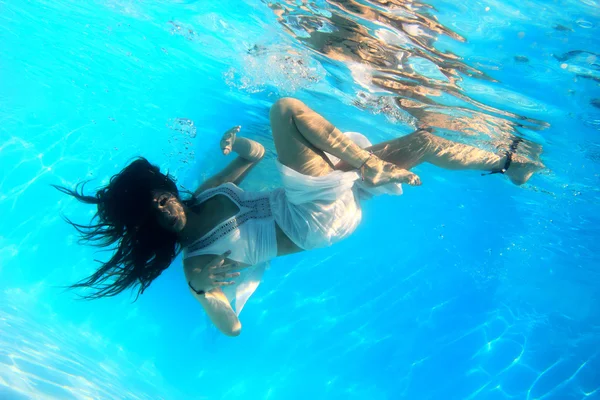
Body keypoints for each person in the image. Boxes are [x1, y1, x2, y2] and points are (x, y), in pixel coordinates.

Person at [56, 98, 542, 336]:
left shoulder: (203, 195)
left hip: (320, 207)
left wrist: (233, 145)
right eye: (154, 212)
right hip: (309, 220)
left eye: (159, 196)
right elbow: (231, 327)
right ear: (148, 228)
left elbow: (254, 151)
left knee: (423, 143)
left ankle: (509, 166)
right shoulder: (195, 262)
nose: (163, 205)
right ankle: (368, 163)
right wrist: (205, 292)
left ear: (164, 190)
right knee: (286, 108)